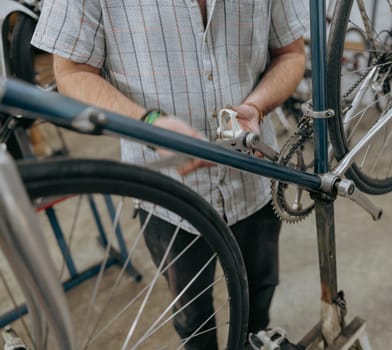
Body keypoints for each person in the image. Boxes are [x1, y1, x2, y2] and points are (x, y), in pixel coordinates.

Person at [32, 0, 307, 348]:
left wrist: (255, 106)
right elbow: (72, 72)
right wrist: (149, 125)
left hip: (253, 178)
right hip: (168, 194)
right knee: (193, 319)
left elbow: (291, 54)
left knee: (259, 299)